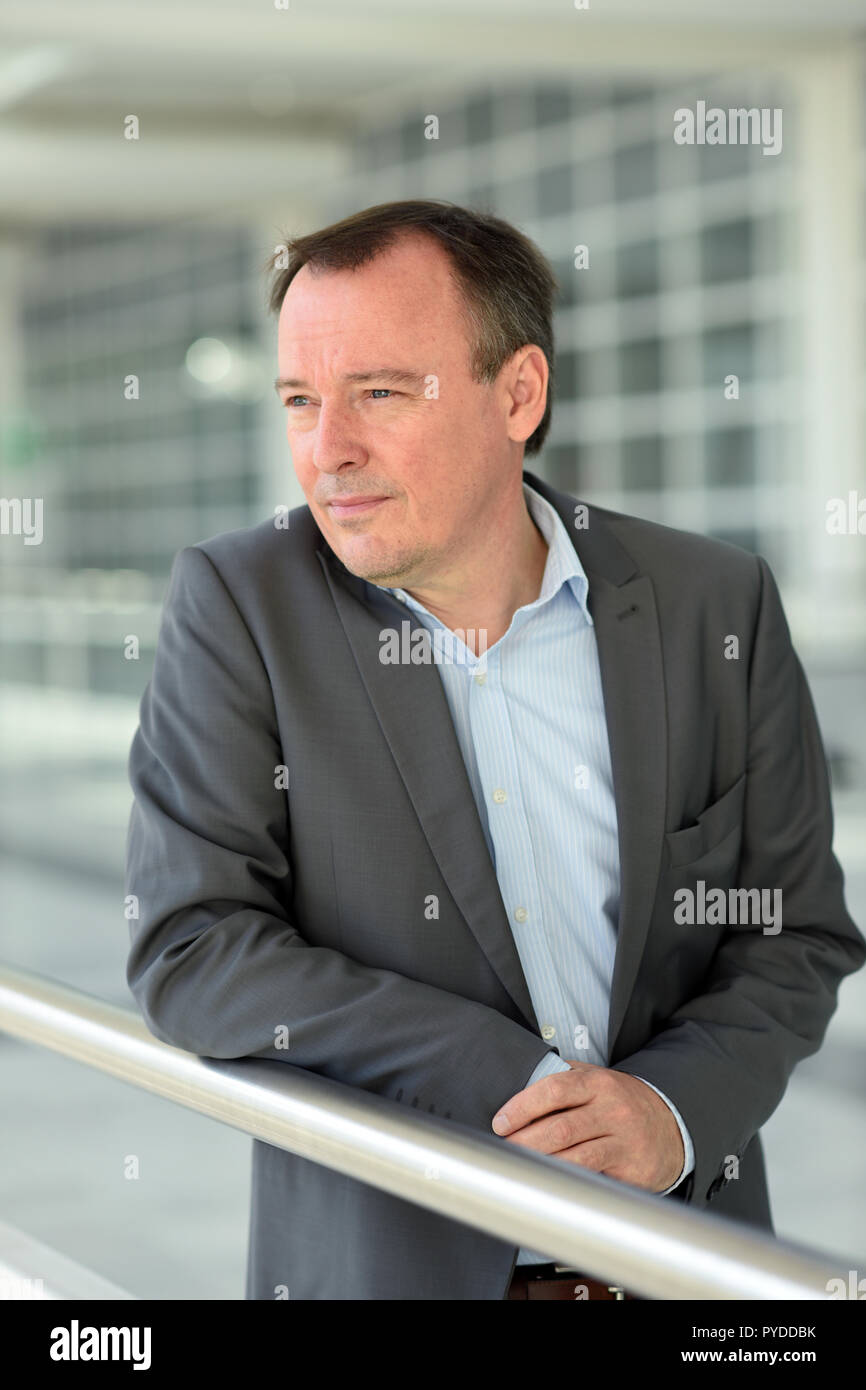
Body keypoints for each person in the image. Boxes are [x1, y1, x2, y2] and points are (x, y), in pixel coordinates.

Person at [125, 199, 866, 1301]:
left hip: (682, 1266)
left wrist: (670, 1111)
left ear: (516, 393)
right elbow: (192, 944)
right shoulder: (240, 605)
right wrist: (518, 1078)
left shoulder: (710, 601)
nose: (327, 449)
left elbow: (789, 929)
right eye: (298, 400)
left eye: (378, 391)